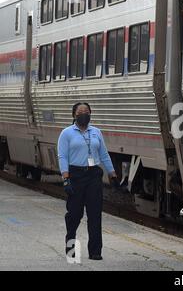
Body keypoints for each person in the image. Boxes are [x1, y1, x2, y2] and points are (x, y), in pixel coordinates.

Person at [58, 103, 120, 261]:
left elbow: (104, 154)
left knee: (94, 215)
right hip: (75, 175)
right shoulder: (66, 133)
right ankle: (71, 249)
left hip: (93, 176)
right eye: (80, 112)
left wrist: (112, 174)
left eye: (86, 111)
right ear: (74, 115)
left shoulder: (96, 132)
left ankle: (95, 251)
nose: (83, 114)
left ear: (91, 114)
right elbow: (62, 156)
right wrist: (66, 178)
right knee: (74, 215)